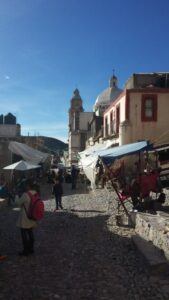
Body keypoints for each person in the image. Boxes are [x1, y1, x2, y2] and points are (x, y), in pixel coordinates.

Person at [15, 180, 38, 256]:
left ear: (28, 186)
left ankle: (25, 250)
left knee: (24, 234)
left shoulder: (25, 194)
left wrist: (17, 195)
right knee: (30, 232)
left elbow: (18, 203)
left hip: (25, 217)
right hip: (32, 216)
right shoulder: (35, 193)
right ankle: (31, 248)